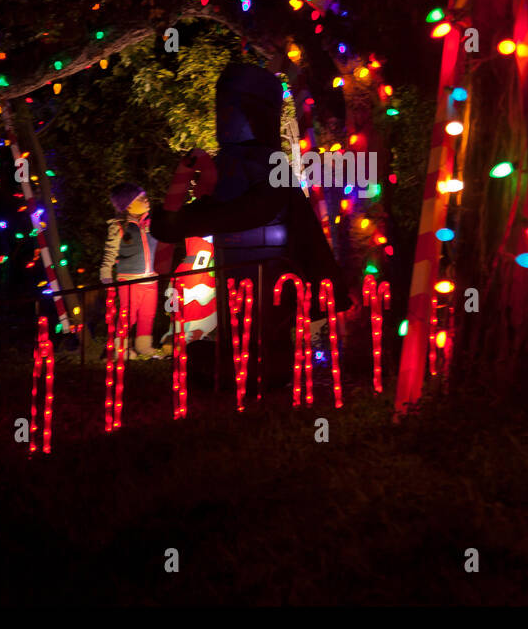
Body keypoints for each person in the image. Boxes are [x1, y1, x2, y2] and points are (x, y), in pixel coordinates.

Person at [150, 64, 350, 393]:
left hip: (271, 262)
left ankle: (265, 376)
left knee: (265, 326)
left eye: (230, 107)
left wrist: (187, 221)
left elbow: (254, 208)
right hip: (235, 259)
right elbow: (221, 204)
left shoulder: (269, 162)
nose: (223, 118)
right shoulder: (232, 160)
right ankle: (234, 373)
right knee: (237, 327)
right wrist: (182, 220)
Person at [99, 182, 162, 359]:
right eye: (141, 198)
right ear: (128, 204)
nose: (146, 200)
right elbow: (110, 252)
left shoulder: (151, 223)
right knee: (128, 315)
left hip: (151, 279)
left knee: (147, 315)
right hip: (129, 280)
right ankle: (122, 347)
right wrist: (105, 275)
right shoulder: (119, 227)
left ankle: (143, 346)